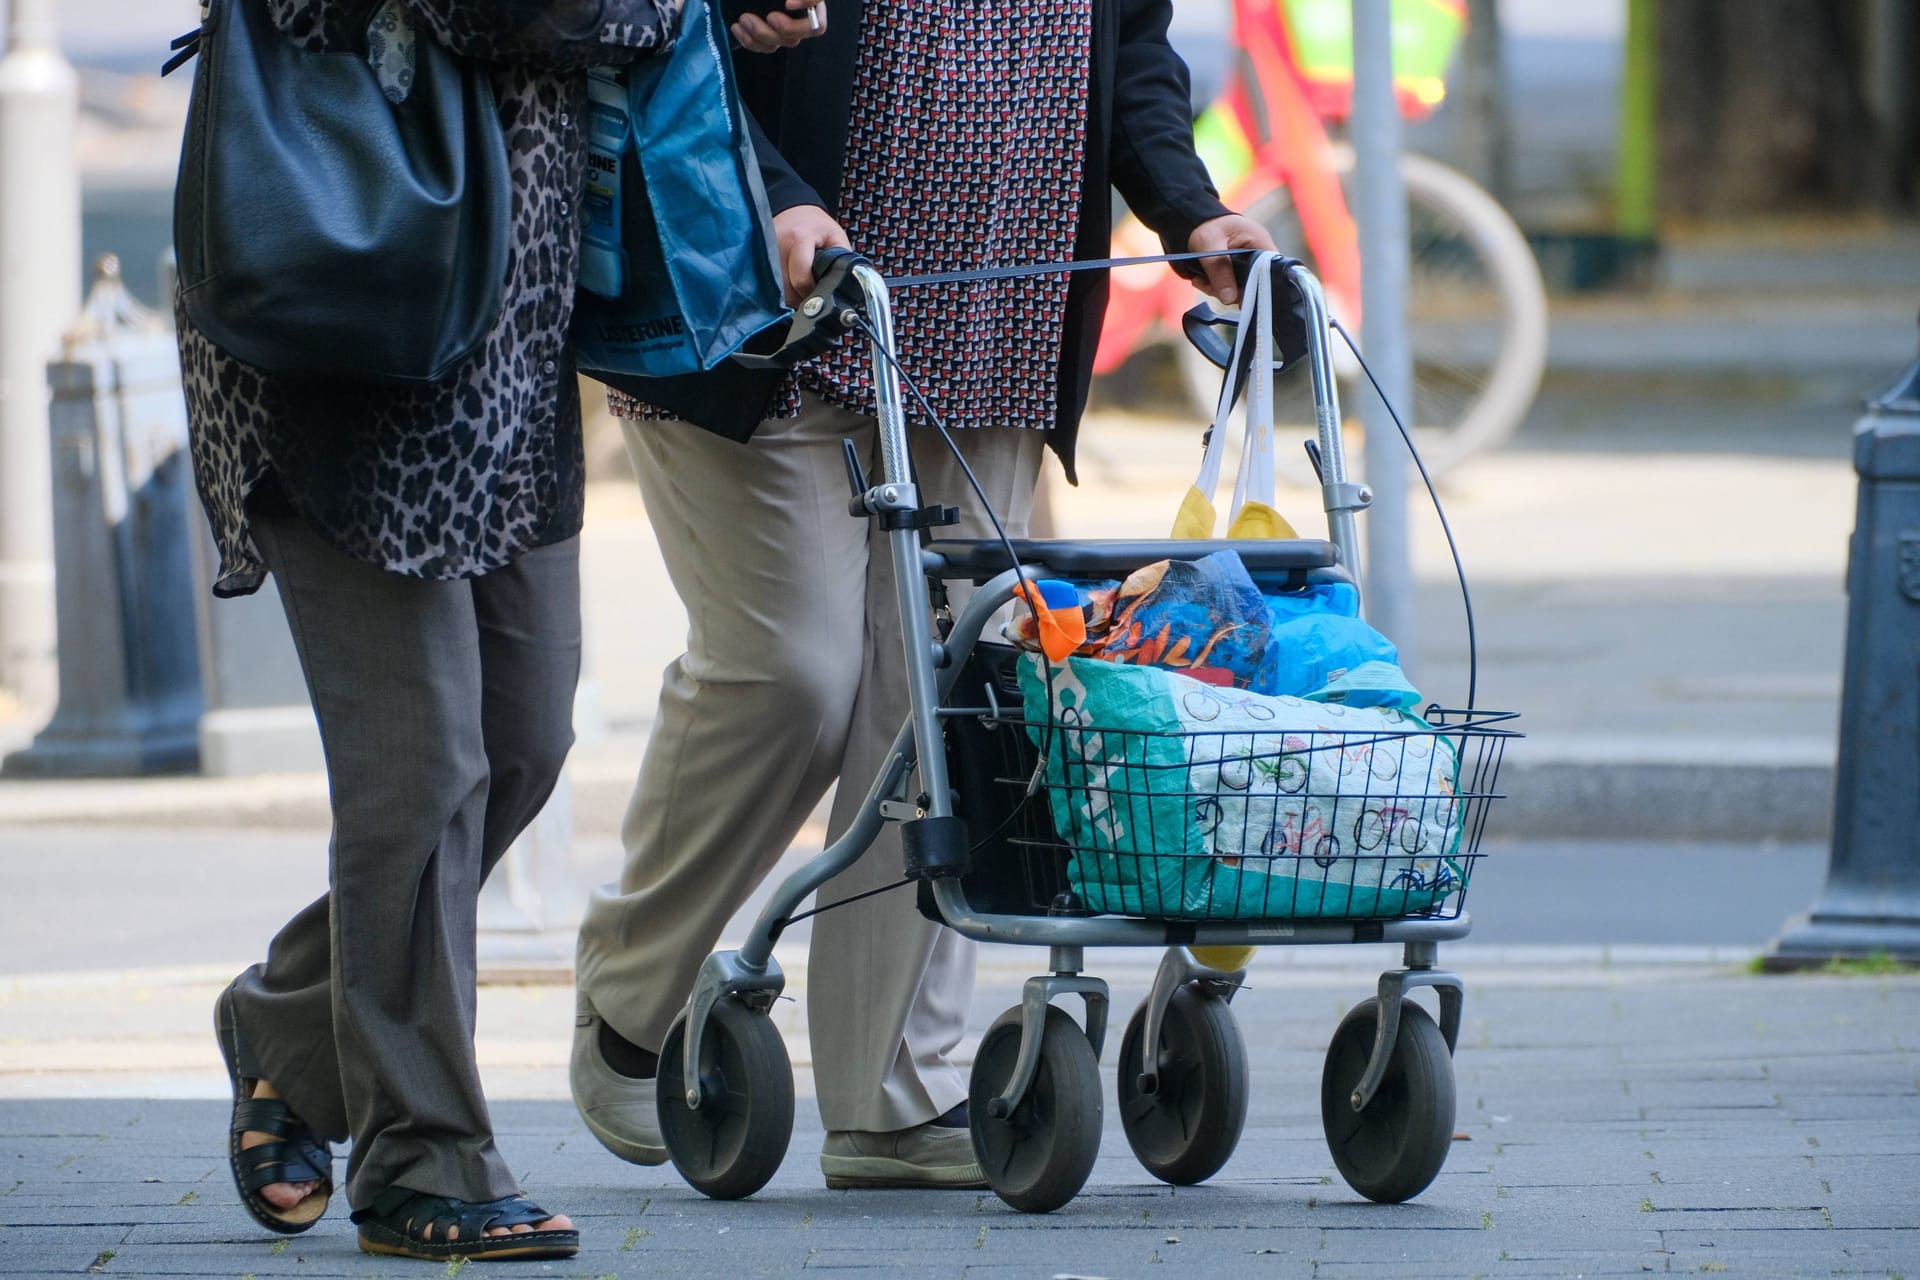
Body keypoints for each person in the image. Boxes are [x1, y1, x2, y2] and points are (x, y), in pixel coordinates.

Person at [570, 0, 1276, 1190]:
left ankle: (893, 1090)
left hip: (988, 330)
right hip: (764, 307)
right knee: (791, 672)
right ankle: (631, 1000)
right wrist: (777, 191)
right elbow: (675, 29)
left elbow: (1130, 52)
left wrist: (1188, 207)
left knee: (940, 709)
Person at [175, 0, 727, 1261]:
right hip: (349, 322)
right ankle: (423, 1152)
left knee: (521, 740)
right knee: (421, 772)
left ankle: (288, 1024)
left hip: (502, 355)